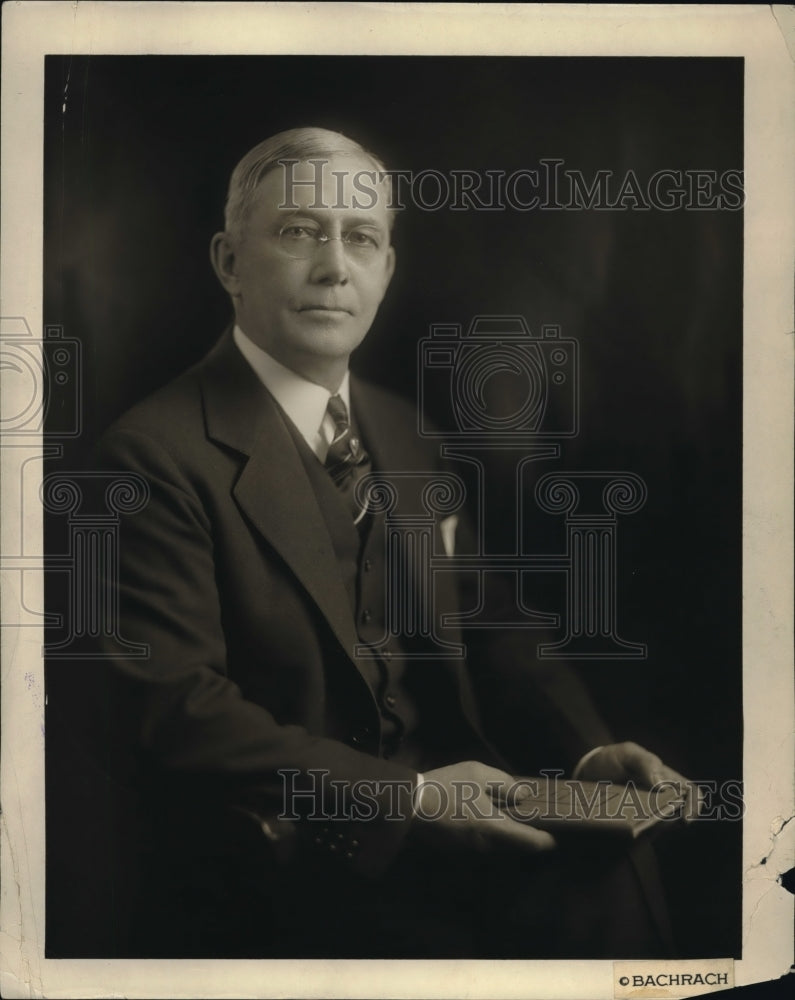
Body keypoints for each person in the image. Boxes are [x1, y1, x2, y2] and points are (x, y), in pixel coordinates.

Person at [74, 127, 693, 959]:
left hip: (462, 818)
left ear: (387, 269)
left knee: (617, 870)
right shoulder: (150, 456)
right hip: (296, 856)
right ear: (228, 262)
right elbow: (177, 710)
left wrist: (583, 753)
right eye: (299, 232)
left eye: (360, 238)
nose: (335, 267)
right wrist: (409, 799)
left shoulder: (401, 431)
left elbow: (488, 619)